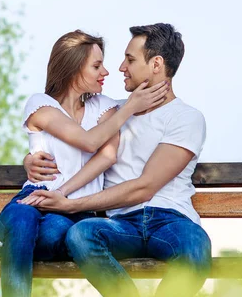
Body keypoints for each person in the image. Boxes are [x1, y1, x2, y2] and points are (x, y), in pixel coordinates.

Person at [0, 30, 169, 297]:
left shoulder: (106, 108)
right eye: (96, 66)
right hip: (34, 196)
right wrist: (130, 108)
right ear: (74, 68)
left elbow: (107, 155)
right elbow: (87, 142)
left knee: (51, 236)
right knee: (23, 218)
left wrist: (62, 194)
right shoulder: (42, 105)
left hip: (74, 212)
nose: (106, 72)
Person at [21, 23, 211, 297]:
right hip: (121, 224)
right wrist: (29, 158)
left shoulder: (186, 118)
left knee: (196, 246)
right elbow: (65, 142)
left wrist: (71, 204)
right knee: (81, 235)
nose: (120, 67)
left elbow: (144, 187)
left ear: (156, 64)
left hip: (171, 221)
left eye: (130, 60)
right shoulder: (112, 112)